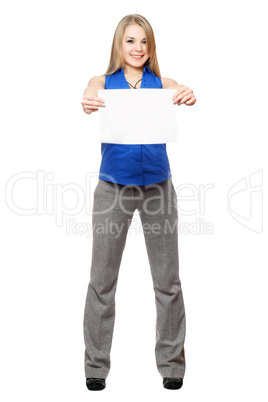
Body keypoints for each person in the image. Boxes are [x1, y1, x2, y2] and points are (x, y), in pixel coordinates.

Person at [81, 14, 196, 391]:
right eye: (130, 41)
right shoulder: (106, 83)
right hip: (112, 188)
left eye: (144, 41)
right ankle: (95, 365)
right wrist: (89, 96)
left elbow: (177, 86)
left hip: (158, 190)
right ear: (119, 45)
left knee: (168, 282)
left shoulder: (161, 84)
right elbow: (93, 86)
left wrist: (184, 92)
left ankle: (172, 367)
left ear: (151, 48)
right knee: (102, 281)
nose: (138, 48)